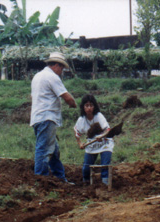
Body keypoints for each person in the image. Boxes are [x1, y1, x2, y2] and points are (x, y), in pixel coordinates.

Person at [30, 52, 77, 182]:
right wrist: (74, 105)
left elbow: (32, 97)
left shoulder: (37, 76)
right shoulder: (52, 77)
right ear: (56, 65)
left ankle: (60, 178)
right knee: (44, 150)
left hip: (37, 117)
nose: (61, 71)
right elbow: (67, 97)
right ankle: (41, 180)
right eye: (61, 68)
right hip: (47, 117)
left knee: (54, 151)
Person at [74, 95, 114, 184]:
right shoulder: (81, 120)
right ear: (83, 107)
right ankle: (86, 184)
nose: (89, 108)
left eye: (91, 105)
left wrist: (102, 136)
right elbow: (77, 133)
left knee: (105, 165)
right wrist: (80, 143)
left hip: (105, 142)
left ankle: (105, 183)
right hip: (91, 144)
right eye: (86, 105)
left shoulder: (98, 116)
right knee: (86, 168)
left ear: (94, 107)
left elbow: (108, 129)